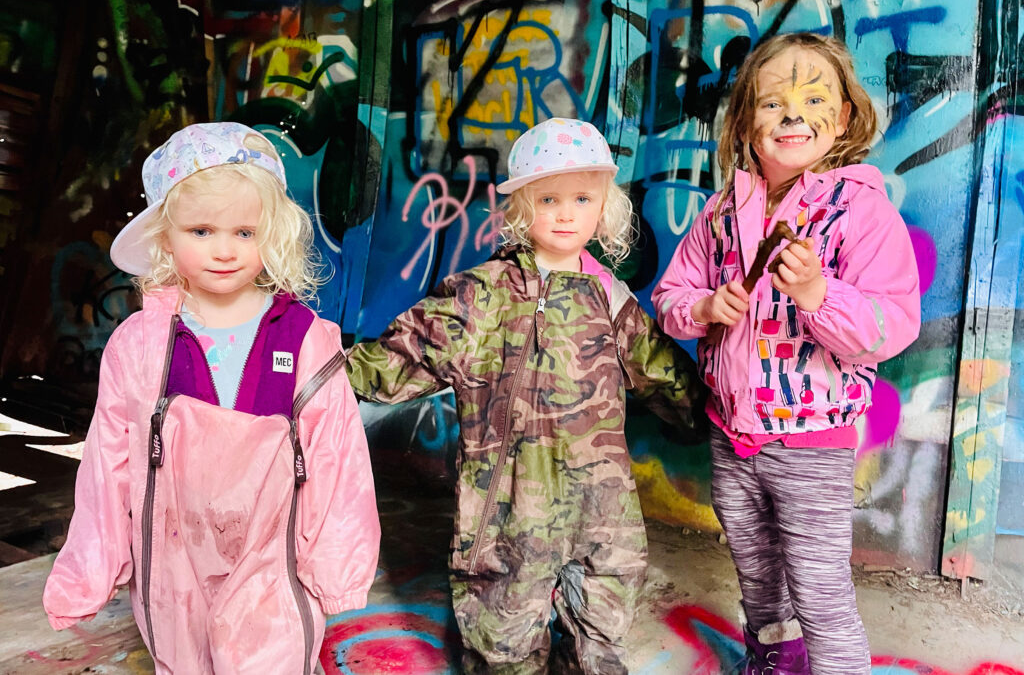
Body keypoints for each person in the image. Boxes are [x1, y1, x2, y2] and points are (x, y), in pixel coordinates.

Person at [345, 117, 704, 674]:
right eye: (549, 199)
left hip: (603, 516)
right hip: (507, 517)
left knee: (600, 646)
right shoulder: (481, 295)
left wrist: (716, 413)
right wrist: (313, 368)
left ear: (603, 207)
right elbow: (401, 357)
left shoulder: (611, 299)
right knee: (502, 648)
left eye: (582, 198)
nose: (565, 213)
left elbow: (664, 373)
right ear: (519, 209)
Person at [43, 122, 380, 675]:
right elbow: (108, 463)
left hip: (273, 566)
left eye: (244, 233)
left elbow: (338, 463)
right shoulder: (139, 345)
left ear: (272, 234)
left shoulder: (305, 339)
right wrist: (90, 570)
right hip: (172, 572)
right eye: (201, 230)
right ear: (165, 236)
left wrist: (337, 572)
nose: (223, 250)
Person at [652, 33, 921, 675]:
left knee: (821, 591)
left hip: (812, 442)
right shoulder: (719, 212)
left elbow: (893, 324)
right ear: (745, 120)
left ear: (845, 118)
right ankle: (774, 659)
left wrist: (816, 293)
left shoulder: (862, 211)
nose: (793, 117)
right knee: (755, 572)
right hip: (731, 435)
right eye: (772, 104)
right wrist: (704, 307)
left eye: (813, 100)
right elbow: (669, 295)